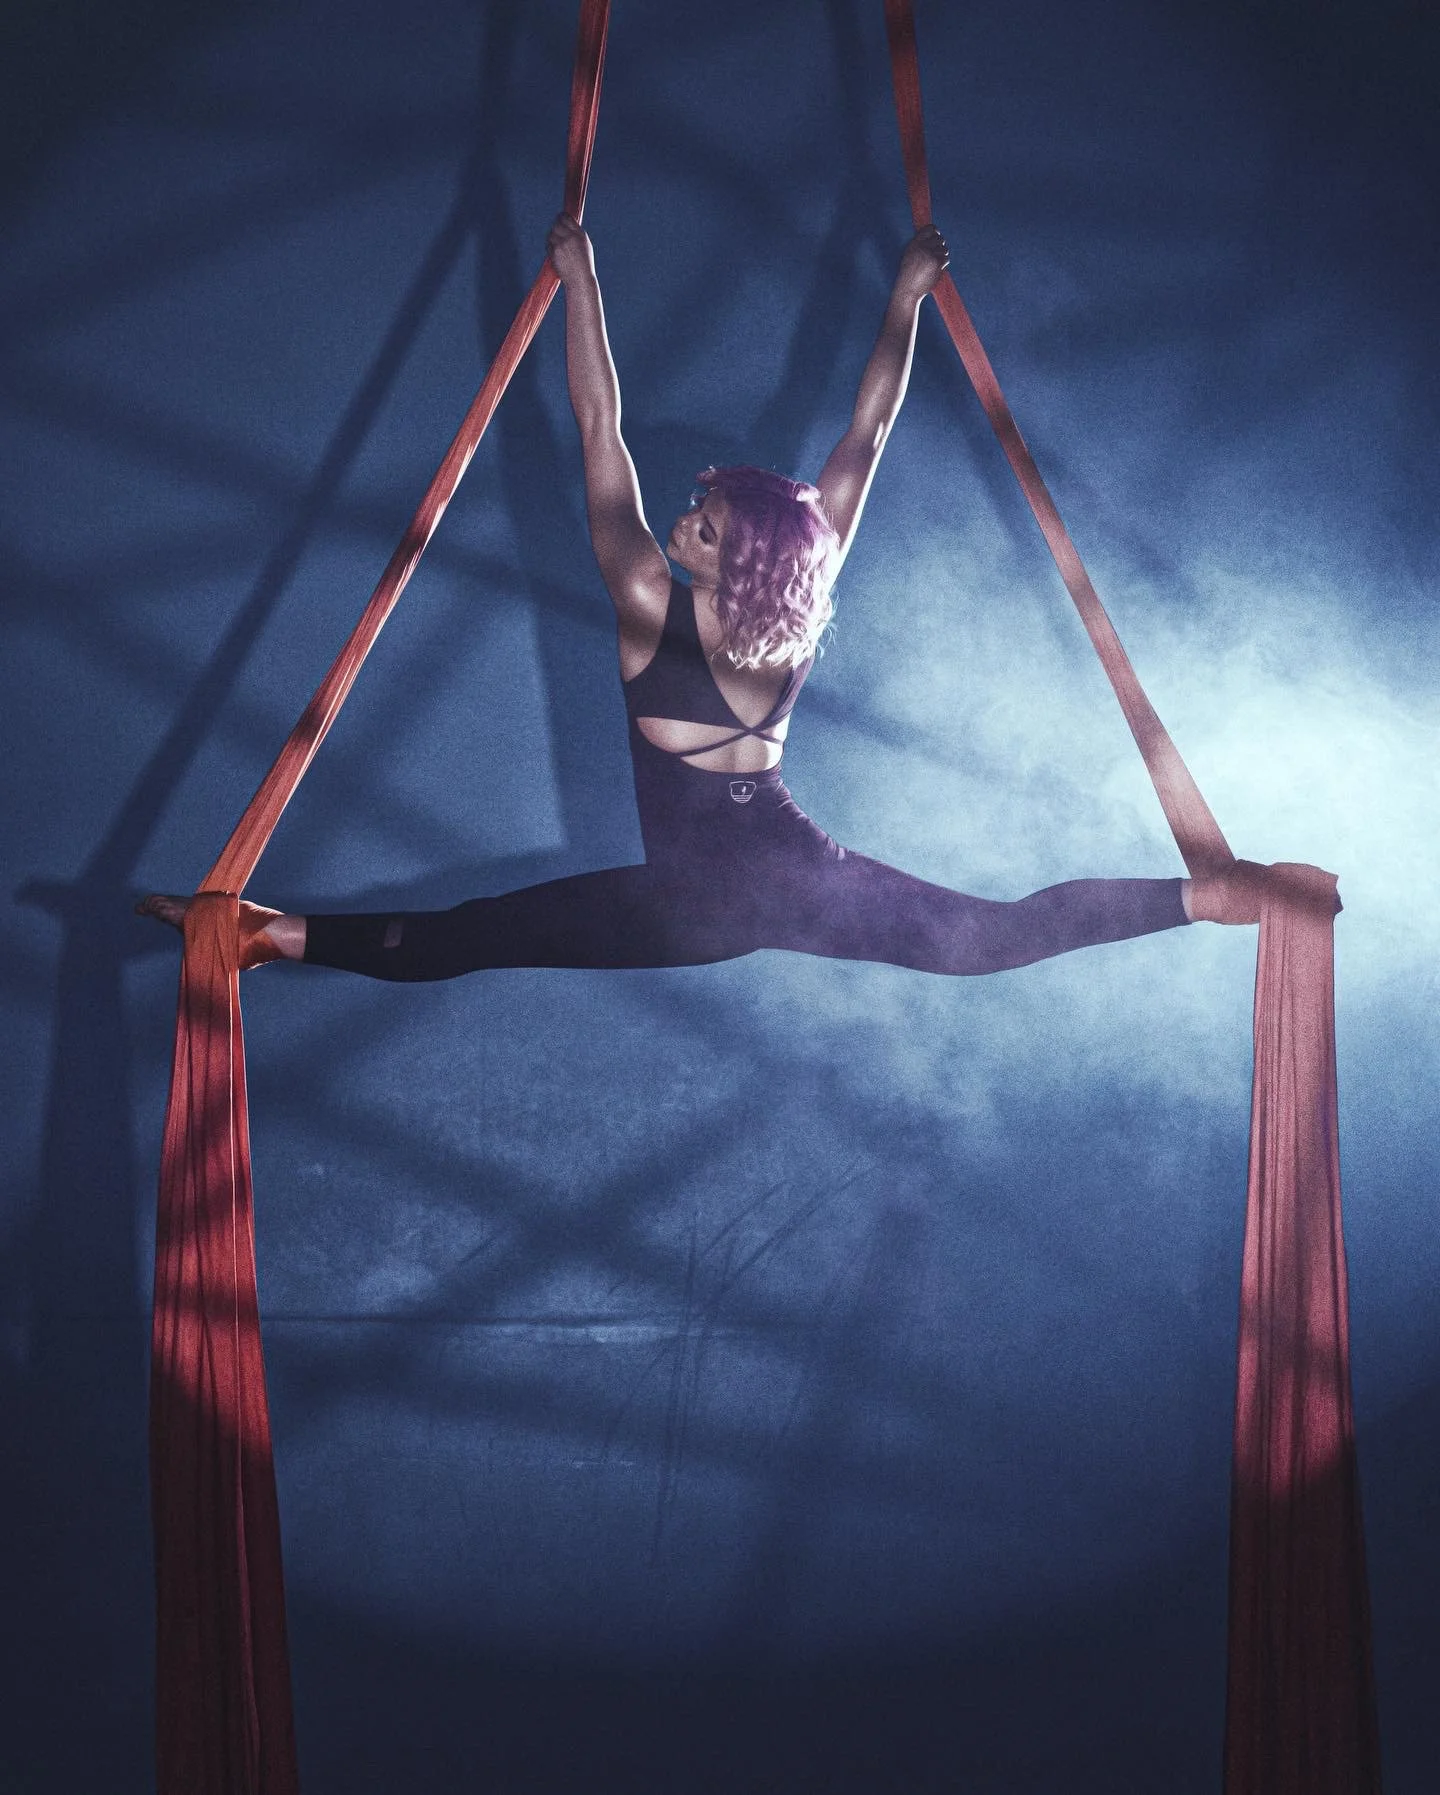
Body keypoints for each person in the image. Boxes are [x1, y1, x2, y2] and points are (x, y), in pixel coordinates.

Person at [139, 215, 1267, 971]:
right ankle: (1202, 900)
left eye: (706, 522)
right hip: (784, 883)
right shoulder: (786, 621)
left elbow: (601, 426)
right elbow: (857, 439)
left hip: (693, 907)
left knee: (474, 935)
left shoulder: (643, 597)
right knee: (479, 935)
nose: (681, 521)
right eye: (691, 509)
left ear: (740, 557)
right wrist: (904, 304)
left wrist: (585, 289)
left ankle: (265, 937)